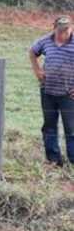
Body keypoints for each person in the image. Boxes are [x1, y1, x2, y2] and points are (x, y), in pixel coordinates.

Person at [29, 15, 74, 167]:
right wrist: (37, 71)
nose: (63, 34)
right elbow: (32, 52)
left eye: (66, 30)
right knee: (49, 126)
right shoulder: (45, 41)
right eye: (60, 31)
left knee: (71, 128)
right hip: (47, 91)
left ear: (71, 28)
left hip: (69, 95)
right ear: (54, 29)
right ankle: (54, 159)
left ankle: (73, 160)